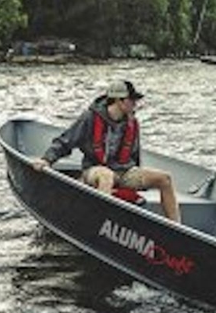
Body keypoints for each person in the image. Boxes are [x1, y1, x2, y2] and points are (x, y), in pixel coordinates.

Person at [32, 80, 180, 222]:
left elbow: (134, 155)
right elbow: (65, 141)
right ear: (119, 101)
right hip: (95, 170)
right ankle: (100, 221)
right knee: (106, 176)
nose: (135, 104)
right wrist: (46, 160)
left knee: (164, 178)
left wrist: (135, 185)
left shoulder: (132, 122)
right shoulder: (89, 118)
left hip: (124, 171)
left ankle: (175, 227)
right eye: (131, 100)